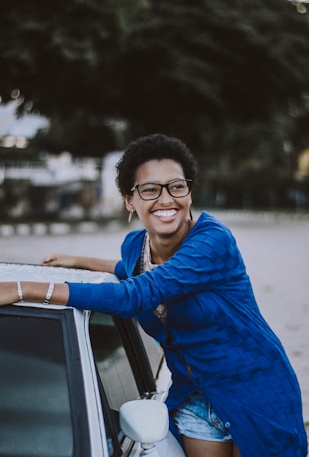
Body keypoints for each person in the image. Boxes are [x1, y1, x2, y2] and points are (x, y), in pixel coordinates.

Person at [0, 133, 307, 457]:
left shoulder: (213, 242)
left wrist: (23, 289)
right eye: (150, 189)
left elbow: (137, 294)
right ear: (129, 200)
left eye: (176, 186)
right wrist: (79, 261)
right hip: (194, 398)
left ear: (189, 191)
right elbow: (137, 270)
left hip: (255, 392)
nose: (165, 199)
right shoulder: (134, 247)